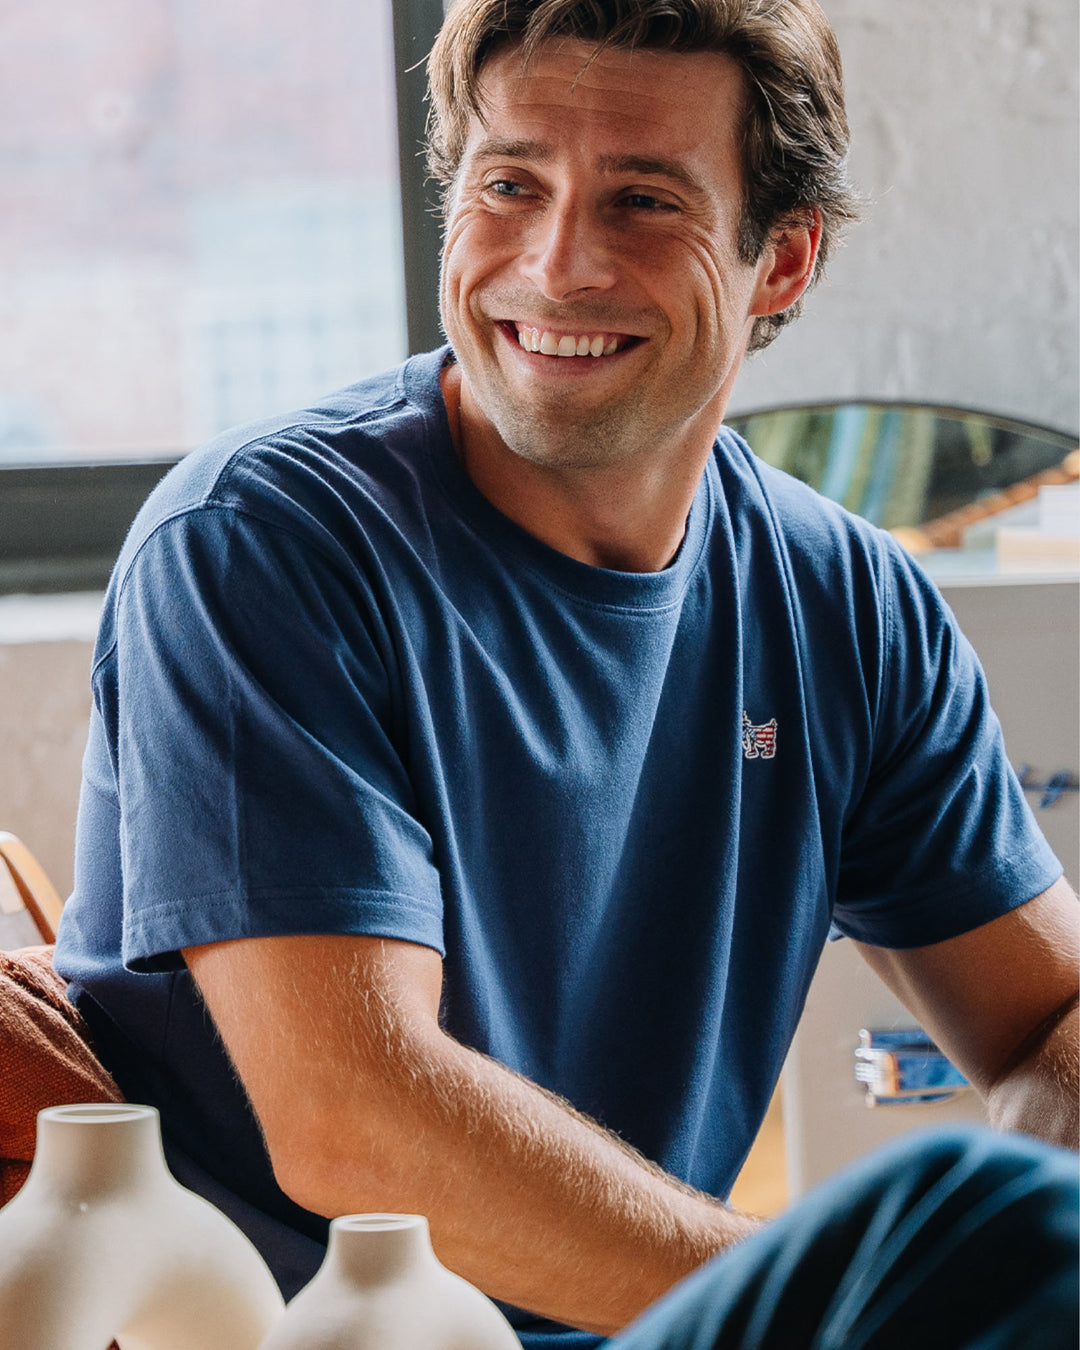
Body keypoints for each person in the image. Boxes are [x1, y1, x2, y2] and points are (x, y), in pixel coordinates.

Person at [53, 0, 1078, 1345]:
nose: (557, 265)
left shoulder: (848, 603)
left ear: (781, 258)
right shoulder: (260, 545)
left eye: (644, 201)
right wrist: (843, 1307)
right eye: (510, 186)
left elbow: (1051, 1016)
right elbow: (355, 1123)